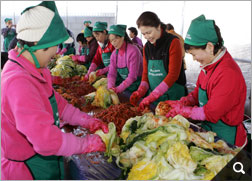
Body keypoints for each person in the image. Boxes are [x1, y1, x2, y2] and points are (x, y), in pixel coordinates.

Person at [1, 2, 108, 180]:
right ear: (38, 44)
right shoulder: (18, 81)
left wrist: (86, 120)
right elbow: (46, 141)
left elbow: (58, 103)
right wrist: (86, 144)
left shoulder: (35, 69)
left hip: (43, 161)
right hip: (28, 170)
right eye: (54, 47)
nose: (56, 53)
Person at [165, 15, 247, 147]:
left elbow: (210, 112)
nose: (194, 59)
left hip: (227, 139)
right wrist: (182, 102)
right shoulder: (208, 66)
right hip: (210, 132)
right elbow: (197, 93)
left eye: (194, 54)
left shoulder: (228, 73)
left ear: (209, 47)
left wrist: (182, 111)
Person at [130, 11, 186, 110]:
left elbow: (173, 75)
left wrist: (152, 96)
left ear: (158, 26)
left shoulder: (173, 42)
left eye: (149, 32)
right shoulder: (147, 47)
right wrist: (140, 91)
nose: (147, 37)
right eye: (144, 34)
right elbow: (145, 73)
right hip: (154, 99)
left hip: (172, 97)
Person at [107, 24, 143, 94]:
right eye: (111, 41)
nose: (113, 43)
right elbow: (111, 73)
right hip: (126, 87)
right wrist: (110, 87)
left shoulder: (133, 51)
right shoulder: (114, 54)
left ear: (122, 37)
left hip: (138, 87)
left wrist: (119, 89)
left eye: (115, 39)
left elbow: (132, 76)